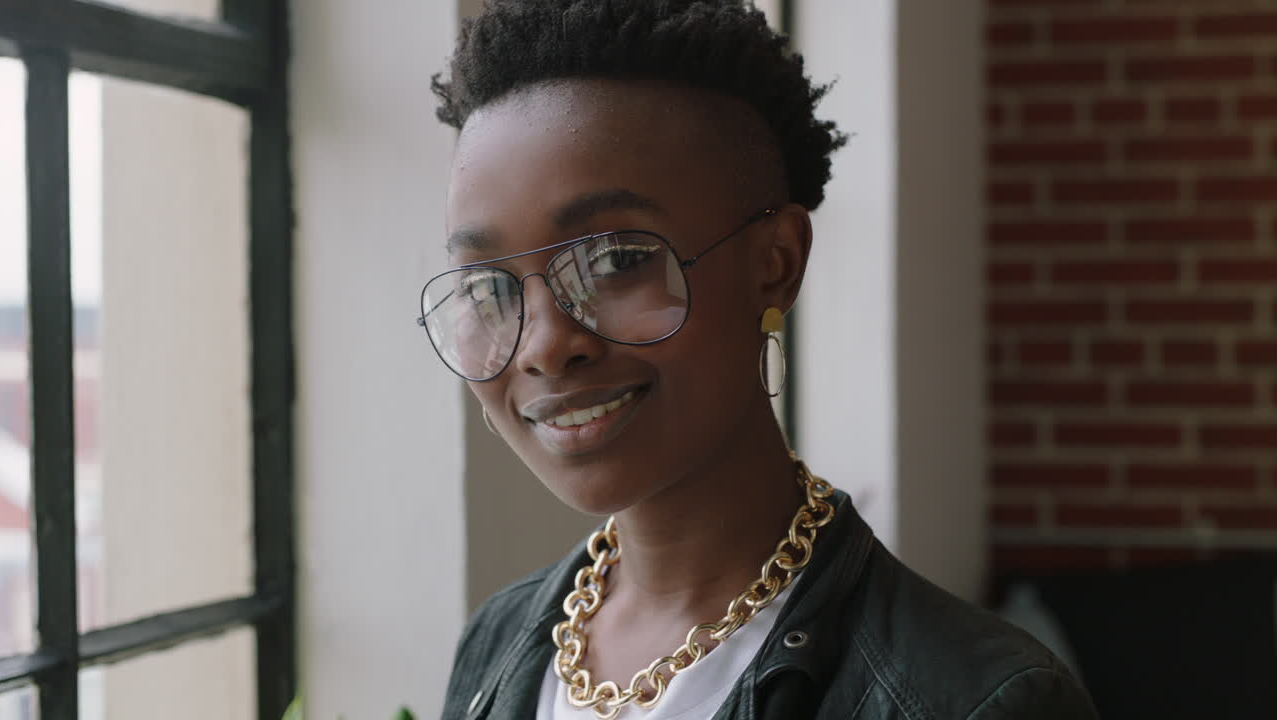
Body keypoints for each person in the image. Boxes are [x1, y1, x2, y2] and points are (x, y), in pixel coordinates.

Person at [421, 1, 1099, 718]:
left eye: (615, 260)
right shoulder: (498, 641)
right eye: (486, 285)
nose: (544, 346)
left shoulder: (975, 700)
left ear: (775, 263)